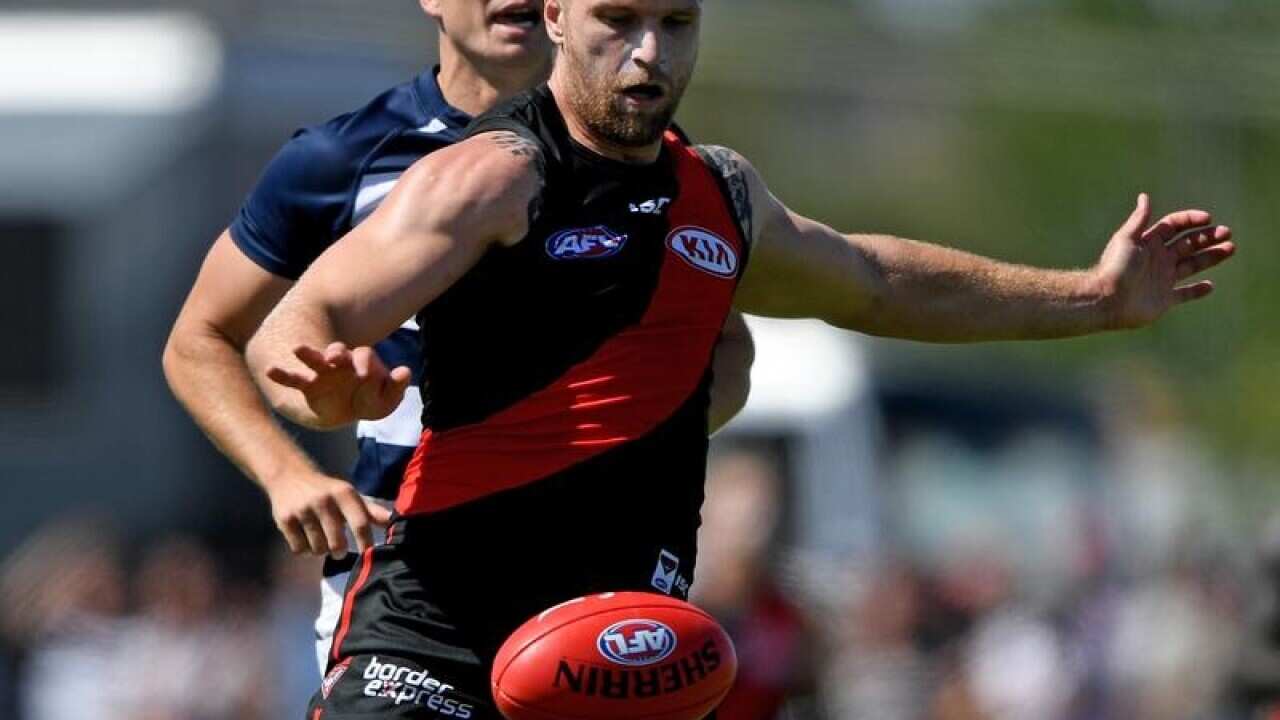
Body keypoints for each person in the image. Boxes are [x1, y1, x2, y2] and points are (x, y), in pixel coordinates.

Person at [246, 0, 1236, 716]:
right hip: (432, 636)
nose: (645, 54)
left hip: (618, 656)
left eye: (674, 24)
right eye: (616, 20)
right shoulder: (490, 179)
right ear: (554, 16)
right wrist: (326, 386)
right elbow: (300, 316)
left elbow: (876, 282)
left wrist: (1092, 297)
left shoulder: (716, 195)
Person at [162, 0, 758, 676]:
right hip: (409, 586)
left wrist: (626, 451)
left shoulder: (643, 154)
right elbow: (200, 338)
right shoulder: (344, 157)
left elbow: (724, 345)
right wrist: (286, 474)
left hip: (585, 582)